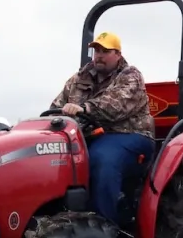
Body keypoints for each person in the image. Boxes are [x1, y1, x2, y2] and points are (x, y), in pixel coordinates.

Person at [50, 31, 156, 226]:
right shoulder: (78, 79)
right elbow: (57, 105)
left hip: (129, 135)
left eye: (105, 51)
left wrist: (84, 108)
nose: (99, 55)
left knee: (102, 158)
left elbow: (115, 106)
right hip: (89, 135)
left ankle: (104, 227)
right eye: (96, 50)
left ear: (117, 54)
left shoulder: (131, 76)